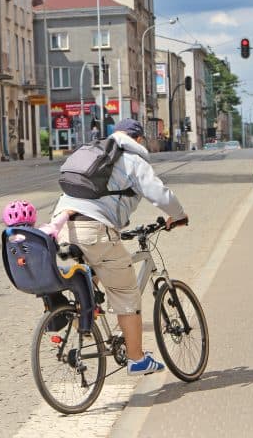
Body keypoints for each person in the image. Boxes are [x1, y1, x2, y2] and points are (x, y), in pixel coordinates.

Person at [51, 118, 188, 376]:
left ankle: (81, 315)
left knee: (91, 275)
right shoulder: (133, 160)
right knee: (126, 294)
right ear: (138, 140)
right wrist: (179, 215)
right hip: (94, 230)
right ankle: (137, 359)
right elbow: (161, 195)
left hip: (62, 226)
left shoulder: (92, 153)